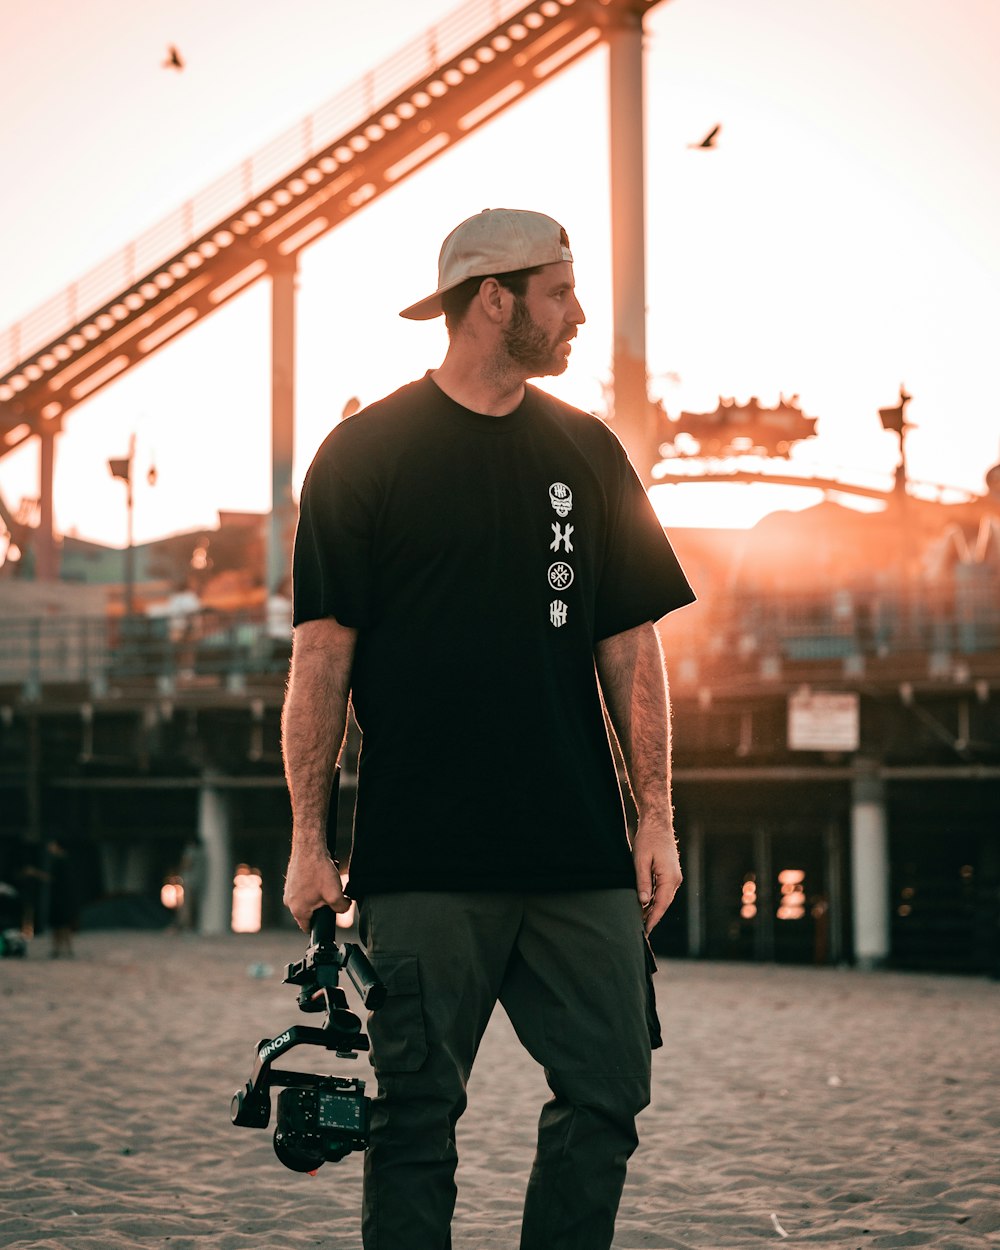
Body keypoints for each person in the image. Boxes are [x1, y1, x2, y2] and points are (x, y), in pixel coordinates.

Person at [282, 208, 696, 1250]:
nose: (578, 313)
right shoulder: (363, 453)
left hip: (575, 849)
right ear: (494, 298)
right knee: (415, 1116)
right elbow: (321, 657)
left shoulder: (587, 450)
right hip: (424, 855)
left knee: (608, 1091)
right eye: (560, 290)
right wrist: (307, 839)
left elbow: (628, 645)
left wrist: (656, 816)